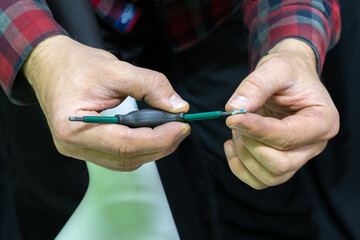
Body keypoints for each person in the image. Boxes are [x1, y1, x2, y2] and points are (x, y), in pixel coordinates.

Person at [0, 0, 341, 239]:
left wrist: (293, 48)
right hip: (60, 22)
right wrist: (42, 55)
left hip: (213, 21)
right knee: (76, 205)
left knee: (260, 194)